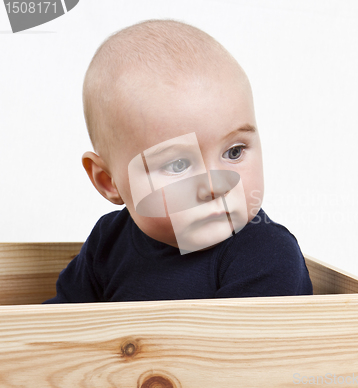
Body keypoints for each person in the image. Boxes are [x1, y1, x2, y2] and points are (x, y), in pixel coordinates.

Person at [44, 19, 313, 303]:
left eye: (234, 152)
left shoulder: (265, 254)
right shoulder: (108, 242)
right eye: (178, 165)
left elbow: (237, 347)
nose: (214, 186)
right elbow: (56, 328)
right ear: (108, 181)